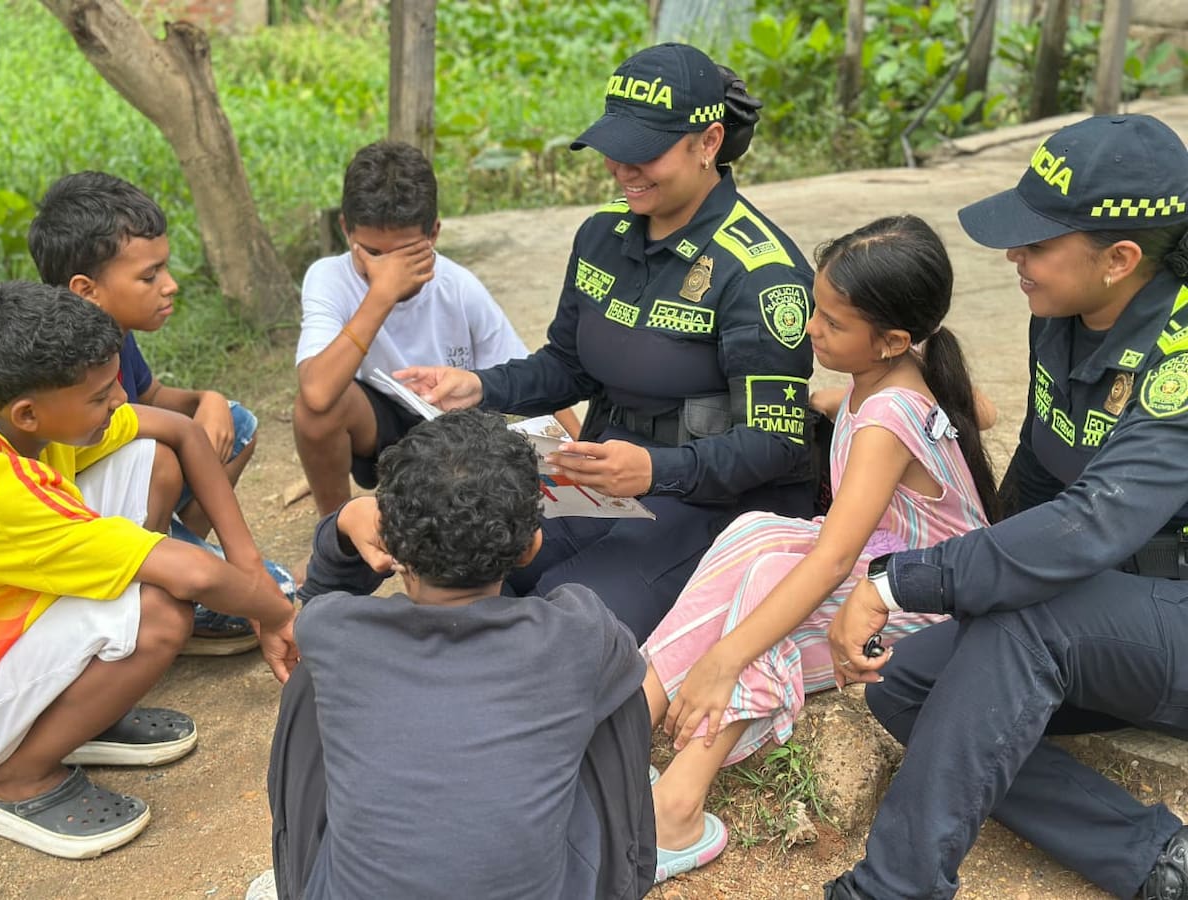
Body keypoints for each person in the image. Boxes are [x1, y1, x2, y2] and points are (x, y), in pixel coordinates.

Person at [826, 114, 1188, 900]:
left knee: (1031, 618)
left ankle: (890, 889)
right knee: (904, 683)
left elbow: (1090, 522)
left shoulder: (1180, 360)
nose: (1012, 258)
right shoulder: (1060, 316)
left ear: (1121, 258)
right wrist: (980, 572)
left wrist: (895, 582)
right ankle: (1156, 860)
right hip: (1104, 609)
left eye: (1036, 244)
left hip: (1168, 620)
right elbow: (1040, 472)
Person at [397, 43, 817, 643]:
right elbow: (569, 364)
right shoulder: (603, 233)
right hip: (603, 474)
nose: (623, 169)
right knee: (474, 572)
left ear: (708, 142)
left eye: (644, 153)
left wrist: (657, 470)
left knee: (562, 624)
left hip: (716, 501)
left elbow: (776, 442)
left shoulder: (758, 272)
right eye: (614, 150)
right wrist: (483, 387)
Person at [639, 215, 996, 881]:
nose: (812, 330)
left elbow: (831, 561)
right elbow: (980, 410)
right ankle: (629, 731)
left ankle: (676, 805)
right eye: (816, 309)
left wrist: (723, 660)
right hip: (884, 564)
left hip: (920, 600)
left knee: (773, 578)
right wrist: (836, 399)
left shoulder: (891, 417)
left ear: (891, 340)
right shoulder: (900, 372)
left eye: (832, 324)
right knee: (753, 534)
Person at [260, 408, 653, 900]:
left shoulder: (335, 632)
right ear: (531, 545)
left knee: (306, 684)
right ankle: (621, 881)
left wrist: (341, 526)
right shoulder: (578, 632)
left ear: (392, 547)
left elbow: (315, 602)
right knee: (618, 684)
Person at [0, 282, 297, 859]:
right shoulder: (4, 489)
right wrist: (275, 609)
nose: (116, 403)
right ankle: (13, 780)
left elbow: (181, 431)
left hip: (9, 611)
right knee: (158, 611)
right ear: (28, 413)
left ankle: (74, 715)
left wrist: (248, 565)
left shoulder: (22, 427)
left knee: (151, 457)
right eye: (101, 396)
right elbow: (192, 577)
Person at [27, 172, 293, 656]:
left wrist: (207, 399)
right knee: (162, 460)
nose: (169, 286)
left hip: (121, 498)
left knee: (234, 420)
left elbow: (157, 399)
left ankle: (183, 559)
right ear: (86, 290)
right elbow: (158, 428)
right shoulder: (64, 372)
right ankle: (153, 595)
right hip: (74, 525)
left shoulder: (114, 336)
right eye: (150, 276)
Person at [293, 140, 579, 517]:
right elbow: (316, 393)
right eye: (374, 254)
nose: (387, 269)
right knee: (316, 411)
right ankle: (336, 531)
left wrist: (582, 449)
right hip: (379, 419)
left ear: (435, 235)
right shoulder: (329, 277)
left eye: (406, 255)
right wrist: (382, 295)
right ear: (346, 230)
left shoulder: (458, 287)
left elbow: (534, 379)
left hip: (454, 431)